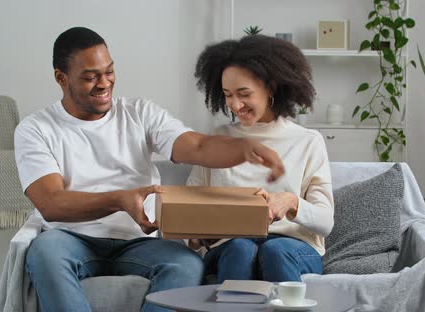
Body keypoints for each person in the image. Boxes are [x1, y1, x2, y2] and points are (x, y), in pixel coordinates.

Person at [15, 27, 285, 312]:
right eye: (90, 76)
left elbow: (198, 147)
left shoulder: (139, 113)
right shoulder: (35, 129)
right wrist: (118, 199)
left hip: (137, 242)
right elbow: (51, 203)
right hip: (69, 238)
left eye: (109, 72)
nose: (104, 83)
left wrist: (242, 148)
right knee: (44, 252)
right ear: (61, 77)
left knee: (186, 262)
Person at [187, 35, 334, 283]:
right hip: (230, 245)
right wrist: (198, 234)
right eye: (227, 94)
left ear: (271, 86)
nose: (235, 104)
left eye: (244, 94)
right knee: (241, 249)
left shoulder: (308, 141)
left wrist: (290, 202)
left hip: (291, 247)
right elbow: (188, 210)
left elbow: (325, 222)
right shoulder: (217, 140)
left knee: (275, 251)